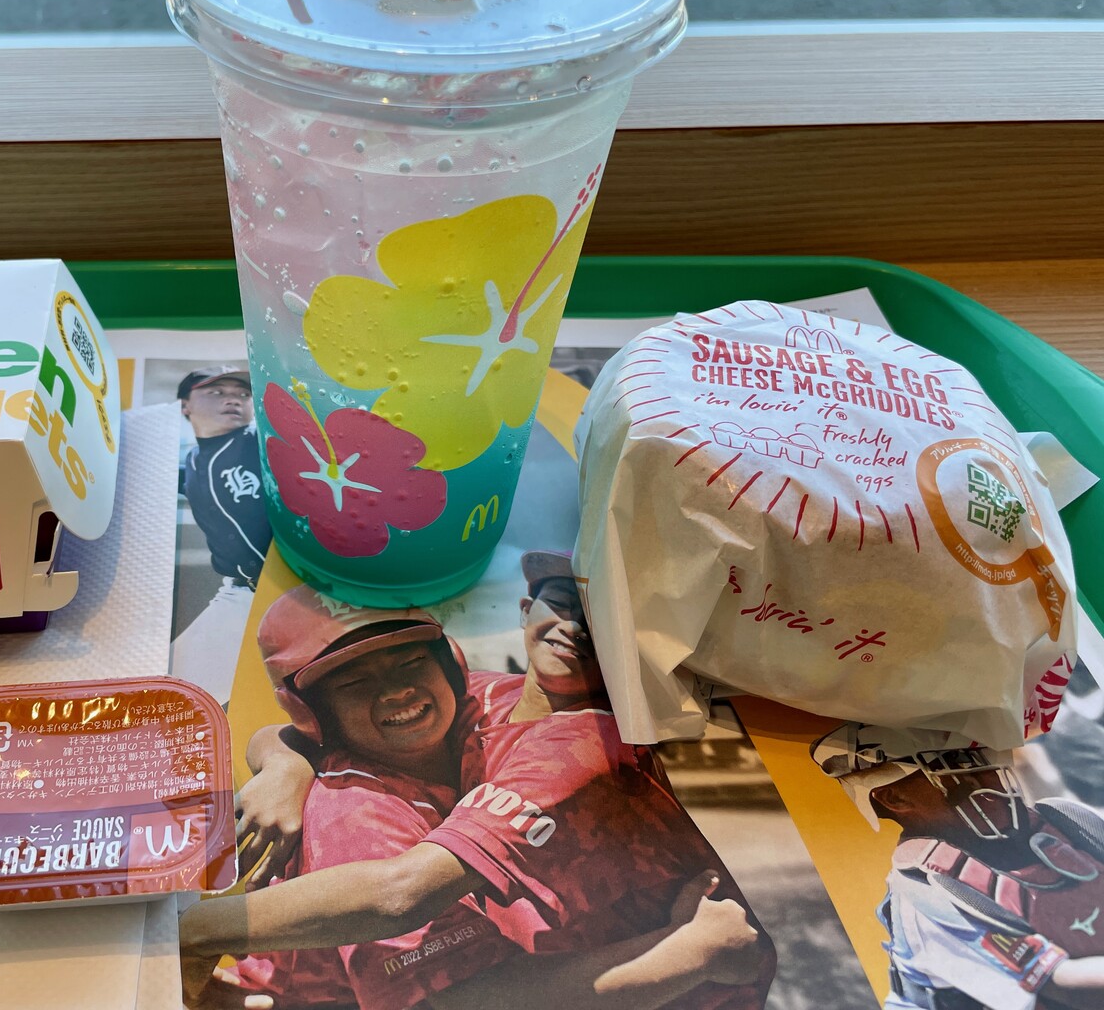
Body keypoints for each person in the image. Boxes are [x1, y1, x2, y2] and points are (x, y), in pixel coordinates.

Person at [182, 577, 771, 1009]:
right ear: (315, 713)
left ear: (450, 663)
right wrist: (695, 952)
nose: (397, 691)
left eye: (410, 662)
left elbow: (408, 897)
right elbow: (451, 977)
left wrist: (279, 759)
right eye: (357, 681)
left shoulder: (504, 709)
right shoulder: (353, 811)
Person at [814, 725, 1104, 1010]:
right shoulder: (926, 895)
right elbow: (1058, 985)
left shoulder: (1064, 820)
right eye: (956, 764)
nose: (988, 775)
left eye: (979, 758)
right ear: (896, 798)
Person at [174, 366, 271, 701]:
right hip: (241, 593)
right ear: (185, 405)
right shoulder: (194, 460)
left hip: (292, 587)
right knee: (176, 691)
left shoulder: (259, 443)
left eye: (243, 394)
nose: (234, 399)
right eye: (217, 392)